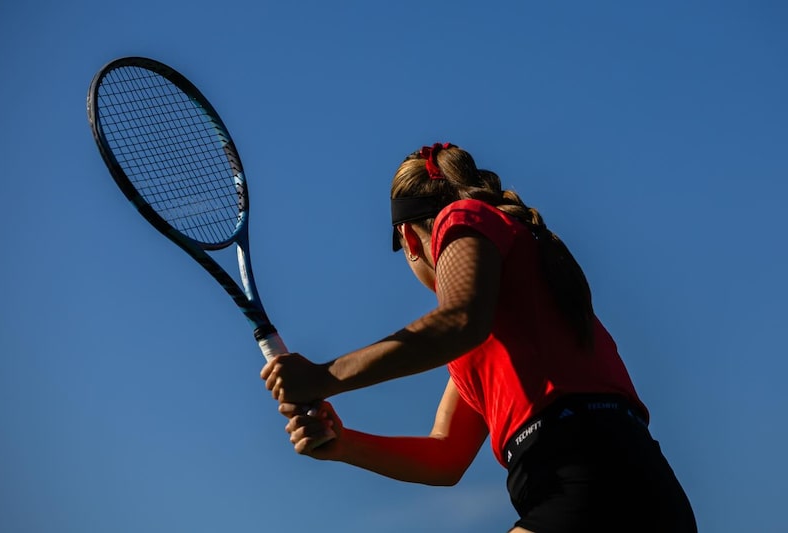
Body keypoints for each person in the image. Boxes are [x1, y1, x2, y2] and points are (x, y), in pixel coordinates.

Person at [260, 143, 697, 532]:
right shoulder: (505, 319)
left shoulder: (462, 218)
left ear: (410, 239)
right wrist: (345, 444)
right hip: (645, 484)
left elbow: (457, 320)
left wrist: (324, 376)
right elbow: (445, 456)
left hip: (579, 479)